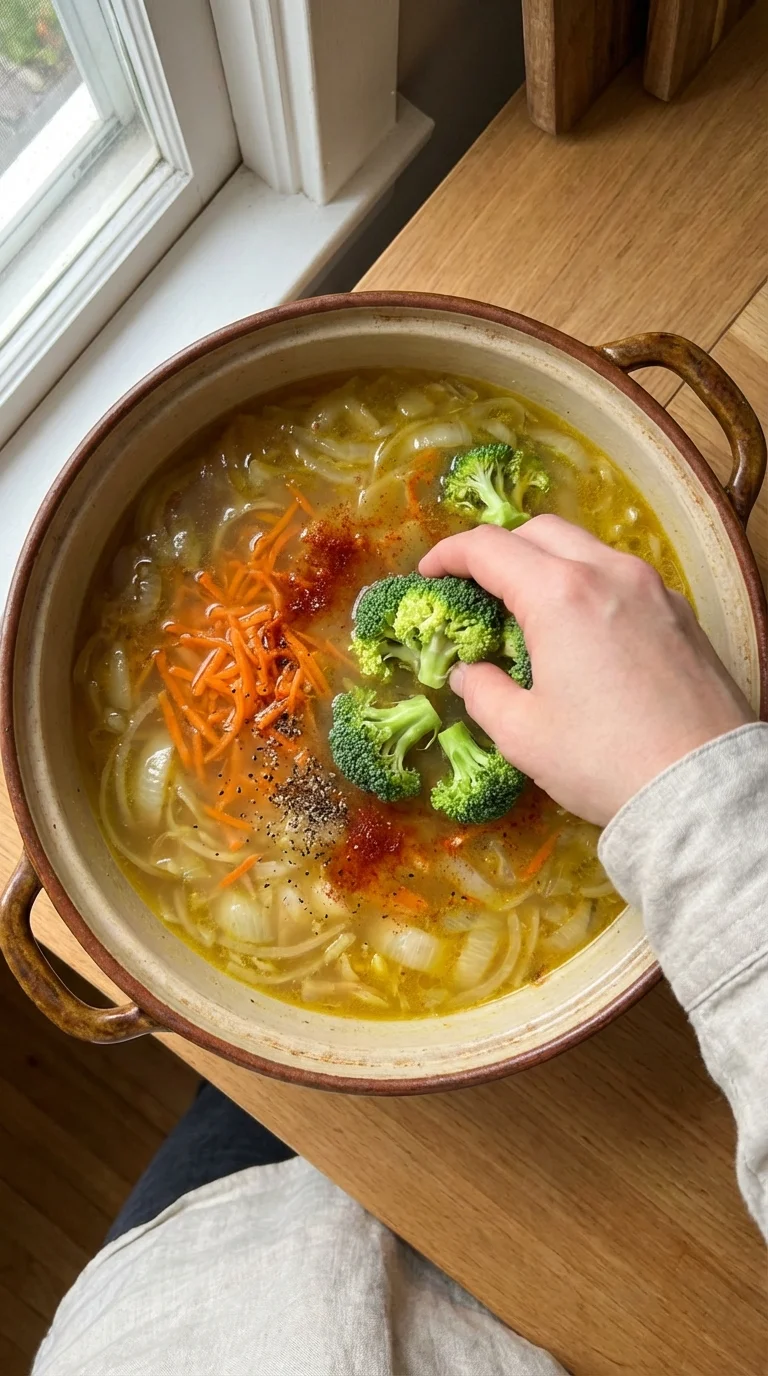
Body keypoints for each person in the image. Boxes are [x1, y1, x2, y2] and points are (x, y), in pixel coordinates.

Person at [33, 517, 767, 1375]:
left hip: (173, 1318)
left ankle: (233, 1094)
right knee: (255, 1075)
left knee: (243, 1095)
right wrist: (687, 778)